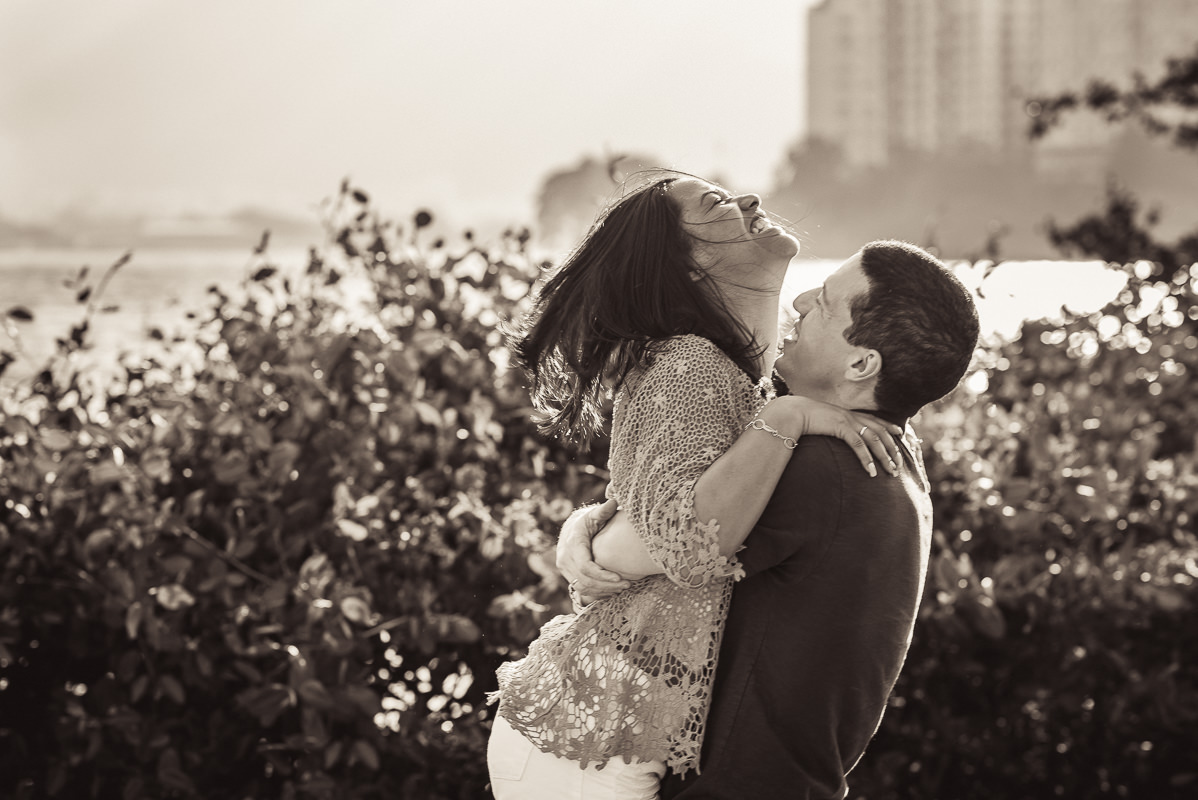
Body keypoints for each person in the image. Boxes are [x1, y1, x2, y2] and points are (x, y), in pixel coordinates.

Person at [487, 171, 904, 800]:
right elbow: (687, 541)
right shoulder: (692, 365)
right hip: (584, 750)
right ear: (689, 268)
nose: (749, 201)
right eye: (717, 206)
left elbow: (656, 502)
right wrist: (784, 417)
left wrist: (588, 529)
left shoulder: (744, 380)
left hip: (612, 736)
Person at [559, 240, 981, 798]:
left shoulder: (819, 467)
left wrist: (578, 536)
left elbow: (657, 543)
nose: (802, 300)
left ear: (861, 363)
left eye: (826, 301)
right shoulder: (899, 465)